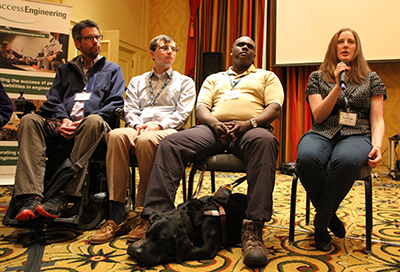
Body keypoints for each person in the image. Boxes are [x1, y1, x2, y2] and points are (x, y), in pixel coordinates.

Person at [128, 36, 285, 268]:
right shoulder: (214, 78)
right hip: (213, 130)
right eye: (240, 45)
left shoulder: (266, 76)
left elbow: (275, 107)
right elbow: (201, 108)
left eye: (250, 46)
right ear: (231, 51)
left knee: (266, 142)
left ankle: (253, 228)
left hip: (250, 130)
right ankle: (157, 219)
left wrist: (249, 124)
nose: (245, 48)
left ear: (254, 54)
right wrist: (214, 124)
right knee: (171, 144)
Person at [11, 19, 125, 221]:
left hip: (94, 127)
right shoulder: (65, 70)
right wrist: (63, 119)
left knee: (93, 122)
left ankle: (64, 195)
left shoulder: (112, 70)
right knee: (29, 120)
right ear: (77, 43)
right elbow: (53, 100)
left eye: (97, 37)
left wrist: (85, 120)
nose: (96, 42)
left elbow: (115, 103)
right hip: (63, 124)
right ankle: (31, 196)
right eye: (90, 38)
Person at [89, 35, 196, 244]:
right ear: (152, 53)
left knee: (147, 140)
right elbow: (129, 108)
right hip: (139, 126)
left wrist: (157, 125)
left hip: (168, 130)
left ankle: (148, 212)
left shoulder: (185, 82)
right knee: (116, 135)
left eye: (174, 48)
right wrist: (137, 125)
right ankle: (117, 212)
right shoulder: (138, 81)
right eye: (164, 48)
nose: (170, 51)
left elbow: (182, 113)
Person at [295, 28, 386, 251]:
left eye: (350, 42)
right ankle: (330, 219)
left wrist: (377, 146)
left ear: (357, 48)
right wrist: (337, 86)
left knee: (345, 160)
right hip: (321, 131)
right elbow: (318, 115)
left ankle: (320, 223)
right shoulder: (317, 77)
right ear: (333, 48)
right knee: (306, 158)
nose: (345, 45)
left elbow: (377, 119)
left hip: (357, 134)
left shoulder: (371, 78)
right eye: (340, 42)